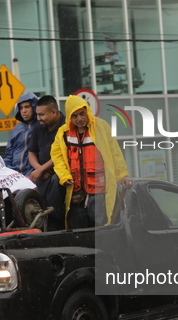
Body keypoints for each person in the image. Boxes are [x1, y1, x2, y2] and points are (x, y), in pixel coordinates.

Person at [51, 94, 133, 229]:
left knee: (100, 227)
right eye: (74, 116)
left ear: (87, 111)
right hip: (76, 191)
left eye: (81, 114)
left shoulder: (101, 127)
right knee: (79, 228)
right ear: (69, 117)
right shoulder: (63, 132)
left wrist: (122, 175)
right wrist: (64, 176)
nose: (79, 119)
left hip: (99, 189)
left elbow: (114, 153)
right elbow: (57, 156)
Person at [28, 95, 66, 231]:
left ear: (54, 112)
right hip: (42, 175)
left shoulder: (66, 126)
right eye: (37, 114)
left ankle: (54, 227)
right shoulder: (38, 127)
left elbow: (62, 153)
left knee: (55, 188)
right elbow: (31, 152)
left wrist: (42, 169)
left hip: (60, 174)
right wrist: (39, 169)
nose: (38, 118)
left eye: (41, 115)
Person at [3, 92, 38, 176]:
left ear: (34, 107)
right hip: (15, 176)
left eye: (27, 107)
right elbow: (9, 154)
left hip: (34, 175)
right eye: (21, 108)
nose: (24, 111)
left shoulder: (41, 127)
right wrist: (8, 172)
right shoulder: (16, 129)